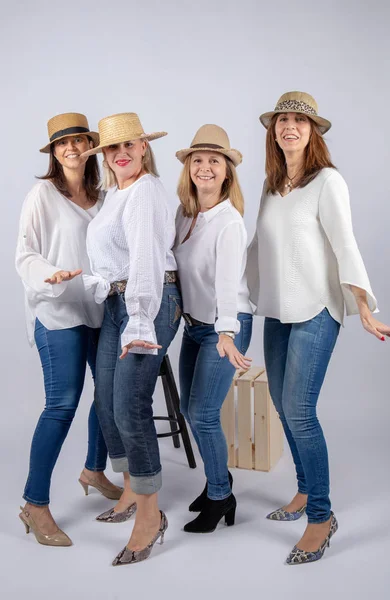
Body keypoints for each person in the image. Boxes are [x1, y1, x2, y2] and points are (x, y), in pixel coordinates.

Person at [246, 91, 390, 564]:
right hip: (277, 313)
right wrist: (233, 302)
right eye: (282, 120)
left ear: (313, 132)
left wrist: (363, 306)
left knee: (299, 410)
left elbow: (345, 244)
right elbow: (256, 251)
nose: (290, 126)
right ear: (274, 130)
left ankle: (321, 516)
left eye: (299, 121)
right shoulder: (270, 186)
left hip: (316, 310)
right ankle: (306, 491)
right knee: (284, 410)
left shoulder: (328, 182)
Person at [16, 113, 121, 548]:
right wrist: (51, 274)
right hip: (57, 312)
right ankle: (34, 504)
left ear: (91, 147)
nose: (72, 149)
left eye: (79, 141)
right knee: (61, 404)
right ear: (55, 153)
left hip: (97, 309)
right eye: (63, 144)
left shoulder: (105, 195)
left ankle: (94, 470)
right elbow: (24, 253)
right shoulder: (42, 194)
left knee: (108, 394)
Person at [82, 112, 181, 565]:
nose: (121, 154)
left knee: (128, 404)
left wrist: (140, 321)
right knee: (105, 399)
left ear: (144, 148)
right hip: (119, 302)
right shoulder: (112, 196)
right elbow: (112, 259)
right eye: (112, 149)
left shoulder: (144, 192)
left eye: (130, 146)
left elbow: (143, 260)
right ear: (104, 156)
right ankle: (129, 488)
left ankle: (150, 514)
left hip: (151, 299)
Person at [173, 124, 253, 534]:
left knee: (203, 415)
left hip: (226, 326)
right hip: (196, 327)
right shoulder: (186, 215)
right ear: (189, 169)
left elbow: (225, 284)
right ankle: (217, 482)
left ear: (227, 173)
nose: (205, 167)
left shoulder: (229, 222)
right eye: (198, 160)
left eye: (214, 161)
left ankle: (221, 497)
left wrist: (226, 333)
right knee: (191, 410)